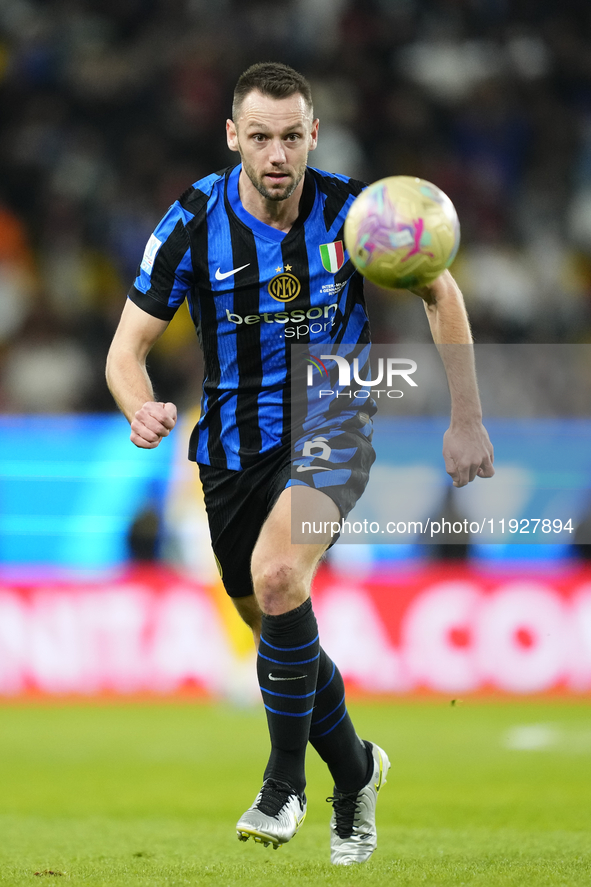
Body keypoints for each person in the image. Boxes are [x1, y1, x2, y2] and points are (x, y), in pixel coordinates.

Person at [106, 62, 494, 865]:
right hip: (231, 452)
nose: (276, 154)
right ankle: (356, 771)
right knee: (274, 625)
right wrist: (137, 402)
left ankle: (284, 783)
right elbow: (125, 351)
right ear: (232, 138)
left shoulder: (358, 214)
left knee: (282, 577)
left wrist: (466, 418)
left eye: (291, 136)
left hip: (333, 423)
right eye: (259, 137)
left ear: (312, 133)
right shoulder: (190, 219)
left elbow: (440, 291)